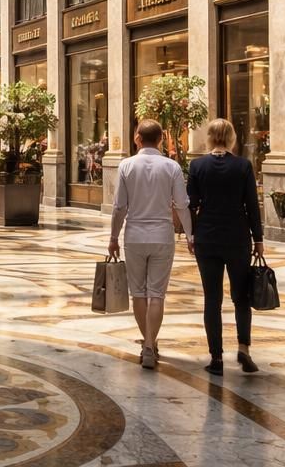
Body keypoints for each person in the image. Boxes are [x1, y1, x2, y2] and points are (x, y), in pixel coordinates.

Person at [108, 120, 192, 370]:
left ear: (137, 138)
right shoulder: (171, 166)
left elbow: (119, 206)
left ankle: (147, 343)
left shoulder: (126, 165)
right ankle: (149, 345)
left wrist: (113, 237)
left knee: (139, 293)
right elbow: (182, 204)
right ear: (161, 138)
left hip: (134, 236)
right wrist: (190, 235)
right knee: (157, 294)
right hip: (162, 236)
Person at [186, 118, 263, 376]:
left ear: (209, 137)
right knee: (241, 297)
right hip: (238, 237)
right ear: (231, 138)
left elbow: (192, 203)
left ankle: (216, 357)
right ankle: (244, 348)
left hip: (207, 237)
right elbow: (252, 205)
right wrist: (259, 239)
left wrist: (191, 233)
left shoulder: (197, 165)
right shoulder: (243, 166)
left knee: (212, 299)